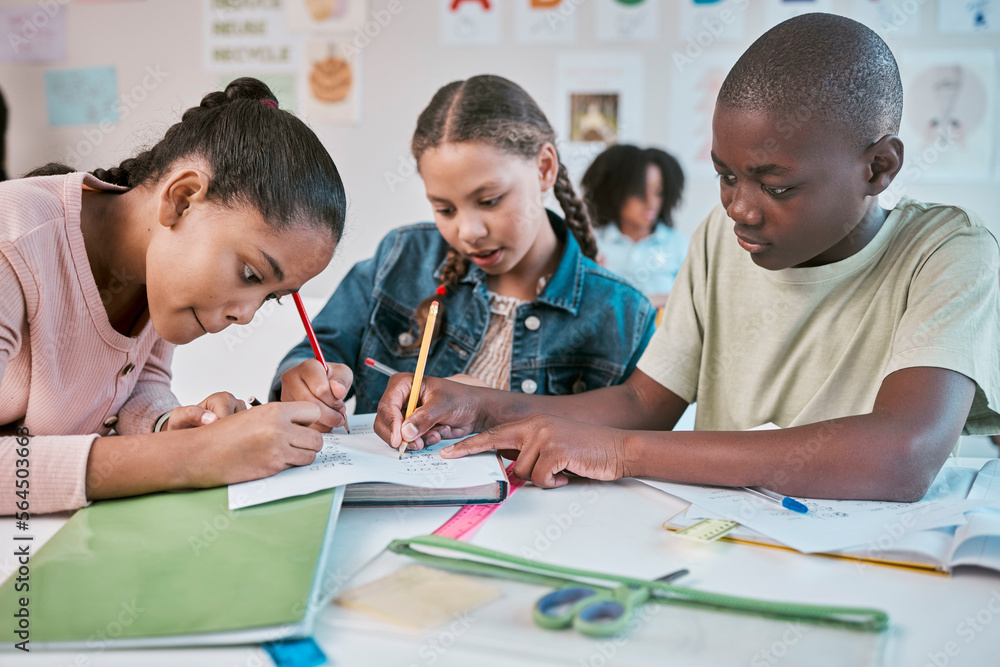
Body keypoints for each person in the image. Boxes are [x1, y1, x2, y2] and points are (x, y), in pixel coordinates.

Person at [373, 14, 1000, 502]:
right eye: (727, 176)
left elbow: (903, 452)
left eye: (776, 187)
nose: (742, 209)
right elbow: (642, 405)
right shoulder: (719, 239)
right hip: (724, 539)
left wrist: (621, 454)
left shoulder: (945, 253)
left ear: (878, 167)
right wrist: (479, 403)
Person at [0, 78, 346, 514]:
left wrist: (173, 425)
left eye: (272, 297)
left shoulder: (158, 270)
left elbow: (138, 384)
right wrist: (195, 456)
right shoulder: (12, 240)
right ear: (182, 200)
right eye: (249, 273)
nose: (245, 315)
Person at [272, 75, 655, 426]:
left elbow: (626, 446)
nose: (468, 231)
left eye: (489, 200)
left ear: (544, 168)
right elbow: (318, 352)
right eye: (445, 209)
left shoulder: (622, 314)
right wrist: (304, 378)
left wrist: (490, 407)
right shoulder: (401, 257)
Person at [581, 144, 687, 307]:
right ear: (617, 192)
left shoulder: (679, 246)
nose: (651, 202)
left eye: (658, 192)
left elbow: (694, 302)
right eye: (639, 192)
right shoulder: (591, 243)